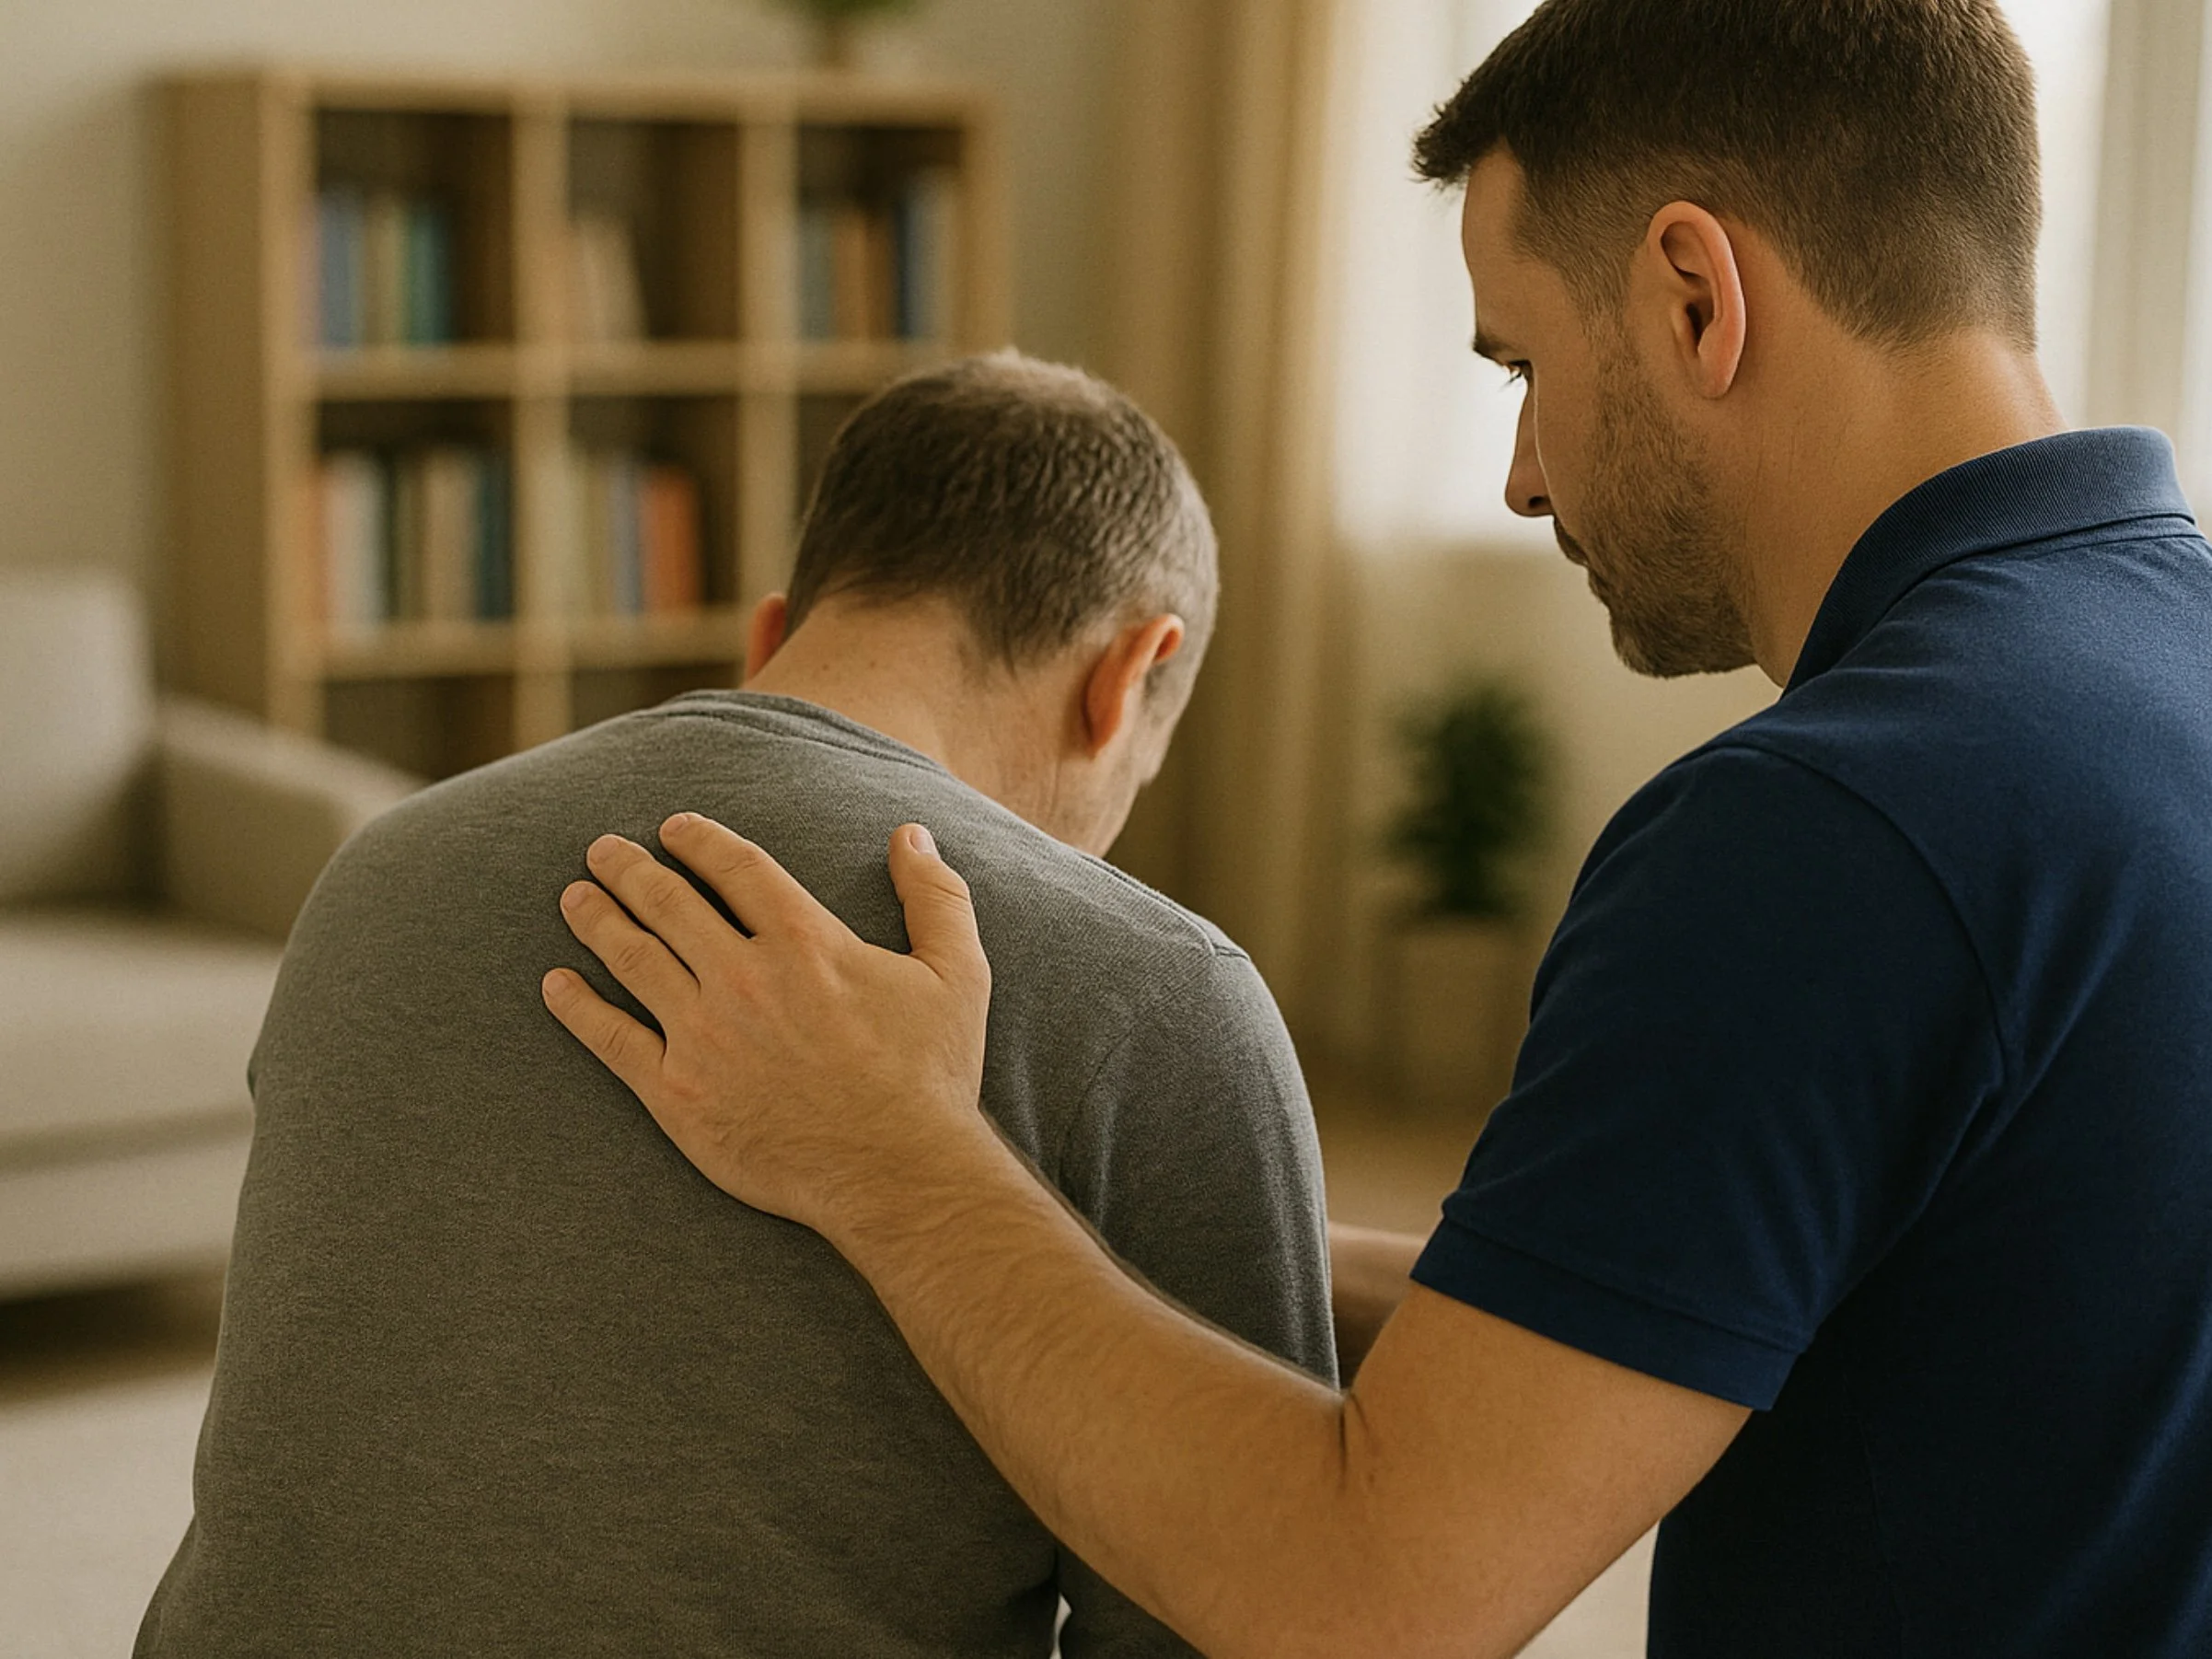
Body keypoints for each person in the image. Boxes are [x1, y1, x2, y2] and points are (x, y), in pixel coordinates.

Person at [542, 3, 2212, 1655]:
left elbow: (1362, 1594)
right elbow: (1678, 1313)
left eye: (1524, 367)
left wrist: (888, 1156)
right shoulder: (2162, 663)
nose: (1521, 475)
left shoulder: (1823, 832)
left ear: (1695, 295)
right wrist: (1114, 1202)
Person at [137, 354, 1337, 1658]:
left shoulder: (375, 869)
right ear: (1126, 679)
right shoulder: (1159, 993)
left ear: (774, 634)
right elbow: (1258, 1621)